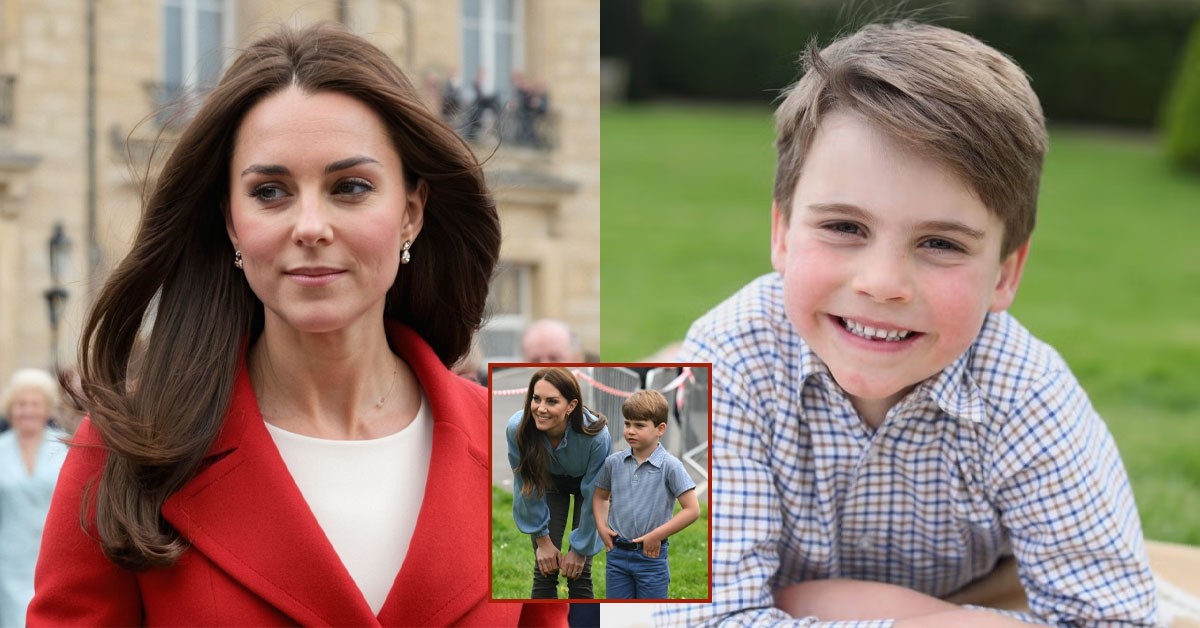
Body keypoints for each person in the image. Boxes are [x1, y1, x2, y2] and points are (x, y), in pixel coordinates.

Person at [28, 23, 562, 627]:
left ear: (410, 212)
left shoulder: (517, 454)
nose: (310, 225)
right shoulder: (125, 452)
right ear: (230, 221)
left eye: (351, 187)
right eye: (271, 191)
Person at [657, 21, 1158, 626]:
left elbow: (1116, 619)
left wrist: (911, 615)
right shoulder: (730, 356)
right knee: (676, 393)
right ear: (782, 233)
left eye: (941, 242)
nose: (883, 283)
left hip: (971, 589)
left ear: (1004, 274)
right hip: (712, 421)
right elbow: (698, 618)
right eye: (845, 227)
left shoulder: (1026, 393)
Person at [505, 367, 610, 600]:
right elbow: (527, 485)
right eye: (536, 398)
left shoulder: (597, 436)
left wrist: (580, 550)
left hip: (588, 487)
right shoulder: (517, 430)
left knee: (579, 572)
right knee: (545, 569)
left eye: (552, 401)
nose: (540, 409)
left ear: (571, 406)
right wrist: (542, 540)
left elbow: (596, 495)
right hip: (549, 482)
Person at [593, 389, 698, 599]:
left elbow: (692, 510)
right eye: (627, 423)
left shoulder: (670, 466)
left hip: (651, 557)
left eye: (639, 425)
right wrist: (602, 528)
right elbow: (600, 496)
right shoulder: (613, 463)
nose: (630, 430)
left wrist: (656, 536)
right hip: (617, 555)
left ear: (660, 429)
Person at [0, 368, 68, 627]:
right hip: (9, 563)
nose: (27, 411)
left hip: (52, 558)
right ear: (11, 409)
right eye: (21, 404)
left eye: (34, 404)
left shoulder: (64, 449)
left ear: (46, 409)